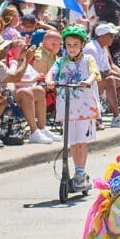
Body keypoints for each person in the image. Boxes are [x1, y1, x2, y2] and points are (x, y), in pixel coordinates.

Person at [46, 25, 100, 190]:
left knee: (81, 142)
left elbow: (94, 73)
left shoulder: (88, 59)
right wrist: (49, 80)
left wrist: (88, 81)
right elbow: (51, 73)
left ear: (82, 45)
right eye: (68, 45)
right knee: (72, 142)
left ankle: (80, 172)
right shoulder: (60, 61)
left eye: (75, 45)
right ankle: (77, 172)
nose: (72, 48)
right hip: (67, 106)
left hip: (84, 106)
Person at [85, 23, 120, 128]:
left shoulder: (103, 48)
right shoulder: (91, 49)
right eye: (111, 35)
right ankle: (116, 118)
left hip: (97, 81)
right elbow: (98, 73)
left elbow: (108, 68)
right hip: (88, 85)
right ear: (102, 37)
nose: (114, 38)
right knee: (111, 80)